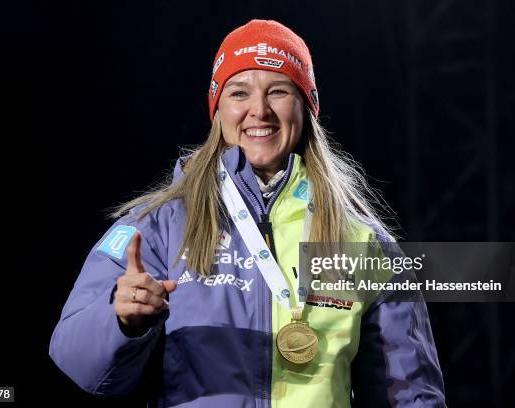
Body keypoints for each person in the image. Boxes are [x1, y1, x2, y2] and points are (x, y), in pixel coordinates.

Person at [49, 19, 446, 407]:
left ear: (306, 107)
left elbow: (410, 393)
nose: (259, 110)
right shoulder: (156, 228)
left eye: (278, 91)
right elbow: (76, 361)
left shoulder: (362, 240)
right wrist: (121, 322)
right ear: (218, 109)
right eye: (239, 93)